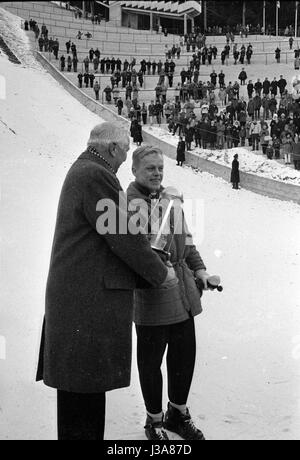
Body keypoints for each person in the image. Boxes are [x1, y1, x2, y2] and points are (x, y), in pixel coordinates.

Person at [36, 123, 177, 441]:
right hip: (86, 305)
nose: (125, 159)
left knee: (79, 397)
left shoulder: (85, 169)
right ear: (112, 148)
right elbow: (123, 235)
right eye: (126, 151)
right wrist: (158, 273)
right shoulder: (97, 175)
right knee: (83, 405)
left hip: (78, 302)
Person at [127, 146, 215, 441]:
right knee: (151, 362)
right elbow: (140, 251)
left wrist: (201, 271)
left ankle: (177, 413)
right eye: (150, 168)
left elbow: (186, 243)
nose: (157, 173)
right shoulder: (129, 204)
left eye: (160, 168)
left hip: (183, 293)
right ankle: (154, 420)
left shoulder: (170, 199)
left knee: (183, 356)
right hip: (153, 294)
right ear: (135, 171)